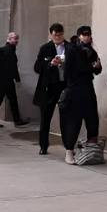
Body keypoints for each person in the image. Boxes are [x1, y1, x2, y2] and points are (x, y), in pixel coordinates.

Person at [60, 26, 102, 164]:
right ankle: (69, 151)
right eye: (84, 34)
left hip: (88, 88)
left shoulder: (91, 51)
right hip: (75, 89)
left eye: (88, 34)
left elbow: (96, 70)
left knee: (92, 120)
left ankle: (91, 151)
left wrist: (97, 67)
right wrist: (91, 67)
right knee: (73, 121)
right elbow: (77, 68)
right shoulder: (73, 49)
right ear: (79, 36)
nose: (86, 37)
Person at [33, 23, 67, 155]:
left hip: (64, 85)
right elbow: (37, 67)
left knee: (66, 117)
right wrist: (50, 63)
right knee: (45, 117)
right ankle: (43, 145)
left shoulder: (69, 48)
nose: (57, 37)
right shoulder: (45, 48)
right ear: (50, 34)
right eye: (55, 35)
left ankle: (68, 145)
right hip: (49, 86)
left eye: (59, 35)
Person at [0, 31, 28, 127]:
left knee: (3, 100)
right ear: (9, 39)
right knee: (7, 100)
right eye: (14, 38)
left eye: (17, 39)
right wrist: (17, 78)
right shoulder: (9, 51)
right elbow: (13, 67)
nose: (16, 41)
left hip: (1, 79)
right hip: (6, 80)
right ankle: (16, 119)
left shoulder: (3, 50)